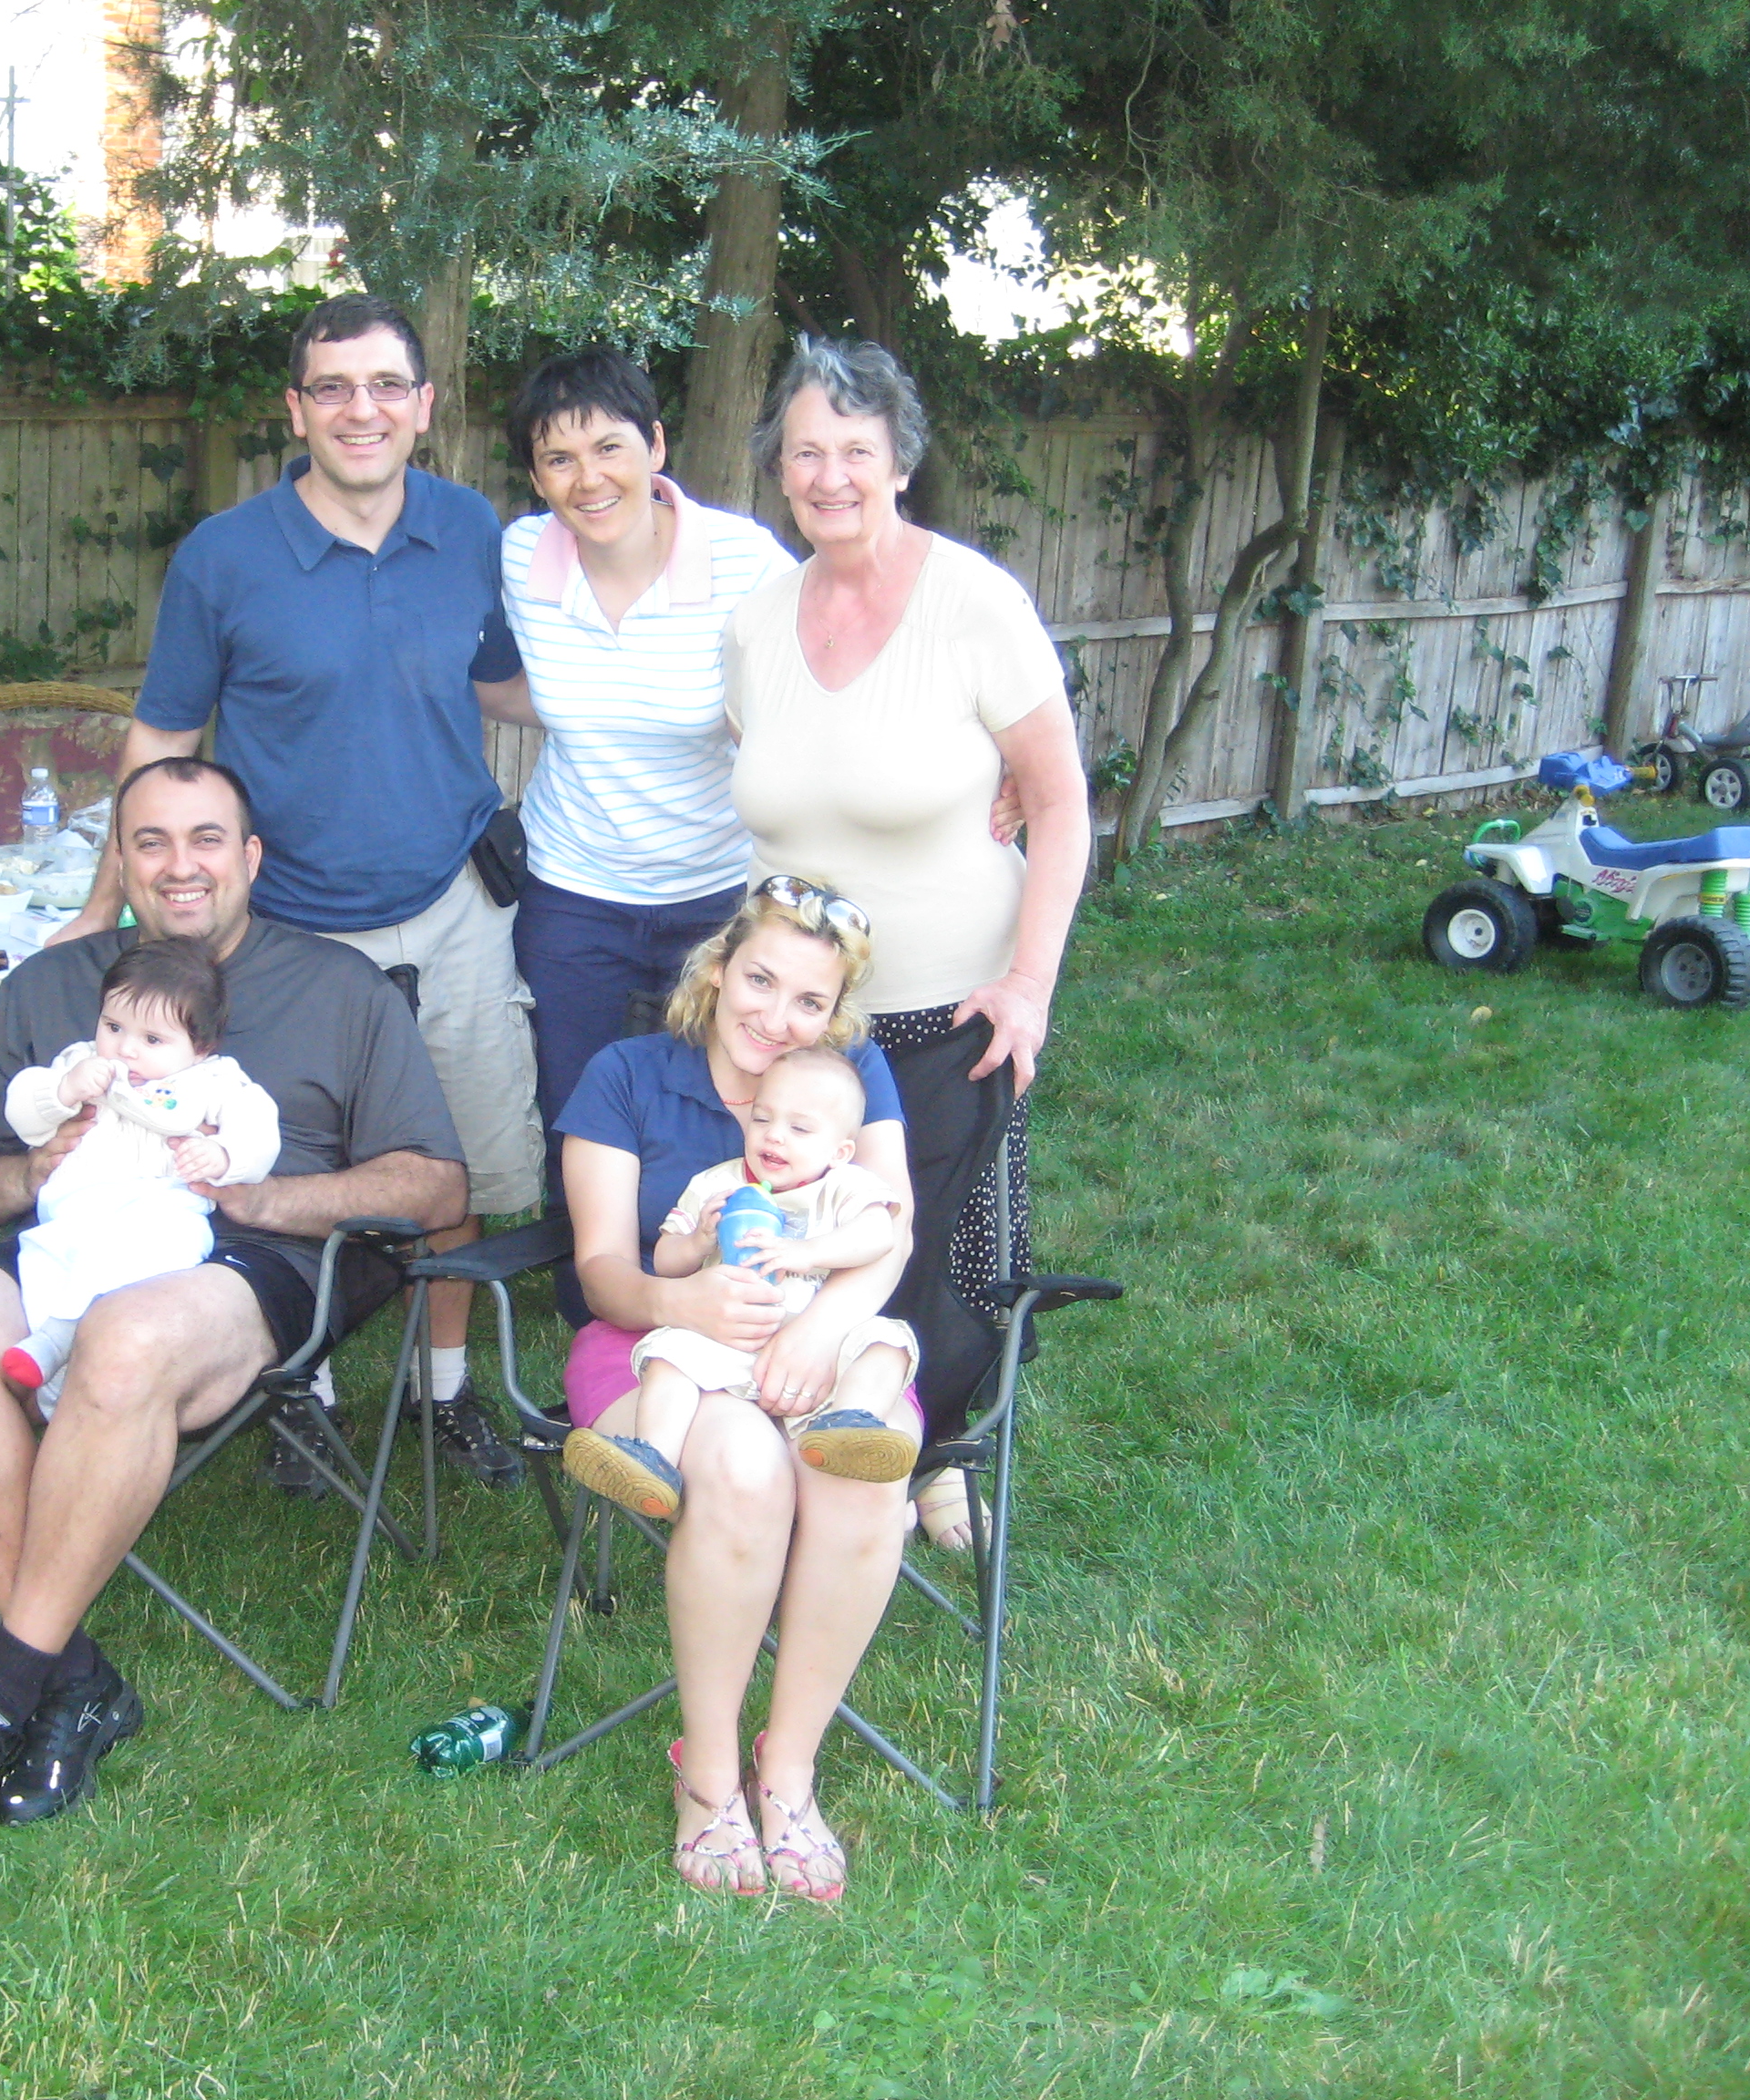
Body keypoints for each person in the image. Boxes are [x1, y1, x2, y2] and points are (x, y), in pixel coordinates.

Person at [0, 757, 466, 1844]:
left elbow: (435, 1186)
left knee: (127, 1339)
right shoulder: (52, 986)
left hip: (261, 1261)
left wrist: (260, 1196)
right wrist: (32, 1169)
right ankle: (73, 1679)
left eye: (205, 839)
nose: (179, 865)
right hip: (76, 1242)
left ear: (251, 858)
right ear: (122, 862)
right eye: (151, 841)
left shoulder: (341, 988)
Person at [55, 292, 535, 1492]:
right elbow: (164, 738)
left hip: (453, 906)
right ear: (296, 409)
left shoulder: (472, 530)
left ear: (424, 405)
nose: (360, 410)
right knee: (267, 1168)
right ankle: (300, 1394)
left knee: (457, 1162)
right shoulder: (225, 558)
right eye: (332, 387)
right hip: (292, 929)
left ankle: (444, 1392)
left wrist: (687, 710)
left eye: (385, 386)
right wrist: (105, 901)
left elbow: (511, 686)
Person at [726, 337, 1091, 1552]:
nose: (829, 476)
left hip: (951, 1006)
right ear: (778, 466)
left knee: (943, 1248)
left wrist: (1029, 984)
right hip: (797, 1021)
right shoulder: (756, 623)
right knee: (800, 1226)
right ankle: (790, 1435)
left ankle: (937, 1453)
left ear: (900, 463)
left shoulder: (973, 604)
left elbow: (1060, 802)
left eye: (856, 451)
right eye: (805, 452)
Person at [555, 883, 916, 1903]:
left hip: (824, 1338)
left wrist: (818, 1329)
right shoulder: (627, 1074)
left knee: (859, 1469)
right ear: (717, 969)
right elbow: (602, 1271)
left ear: (835, 1012)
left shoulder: (851, 1077)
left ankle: (788, 1773)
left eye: (810, 1001)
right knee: (747, 1466)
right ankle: (709, 1778)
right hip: (657, 1344)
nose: (777, 1017)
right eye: (760, 981)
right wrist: (687, 1300)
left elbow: (891, 1233)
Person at [486, 347, 797, 1170]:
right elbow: (497, 684)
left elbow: (836, 670)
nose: (588, 479)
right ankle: (587, 1255)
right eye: (558, 459)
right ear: (536, 478)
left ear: (655, 446)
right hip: (573, 891)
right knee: (580, 1115)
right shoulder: (521, 558)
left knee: (723, 1115)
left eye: (608, 448)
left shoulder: (745, 562)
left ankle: (710, 1248)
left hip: (715, 891)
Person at [564, 1045, 918, 1523]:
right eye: (763, 1119)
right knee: (670, 1355)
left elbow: (879, 1235)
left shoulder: (846, 1187)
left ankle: (852, 1424)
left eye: (800, 1128)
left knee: (888, 1344)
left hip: (822, 1347)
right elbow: (664, 1260)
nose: (775, 1136)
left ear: (840, 1152)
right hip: (730, 1339)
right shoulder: (718, 1185)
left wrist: (807, 1252)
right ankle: (651, 1457)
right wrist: (697, 1241)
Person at [0, 936, 281, 1408]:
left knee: (150, 1257)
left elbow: (259, 1129)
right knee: (48, 1270)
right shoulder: (80, 1063)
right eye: (113, 1026)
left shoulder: (213, 1080)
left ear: (201, 1047)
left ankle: (58, 1340)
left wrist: (224, 1155)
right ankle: (55, 1383)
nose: (125, 1049)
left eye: (152, 1040)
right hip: (76, 1211)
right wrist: (62, 1091)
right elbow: (22, 1113)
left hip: (160, 1211)